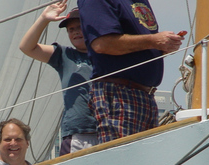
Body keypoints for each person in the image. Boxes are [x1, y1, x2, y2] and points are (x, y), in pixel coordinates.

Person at [77, 0, 184, 143]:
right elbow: (102, 43)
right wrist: (153, 41)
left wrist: (162, 46)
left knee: (143, 159)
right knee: (122, 157)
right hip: (119, 92)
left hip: (143, 94)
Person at [19, 2, 97, 156]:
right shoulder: (65, 55)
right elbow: (26, 47)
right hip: (77, 132)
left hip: (106, 129)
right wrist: (44, 19)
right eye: (70, 30)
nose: (75, 32)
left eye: (79, 27)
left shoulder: (108, 53)